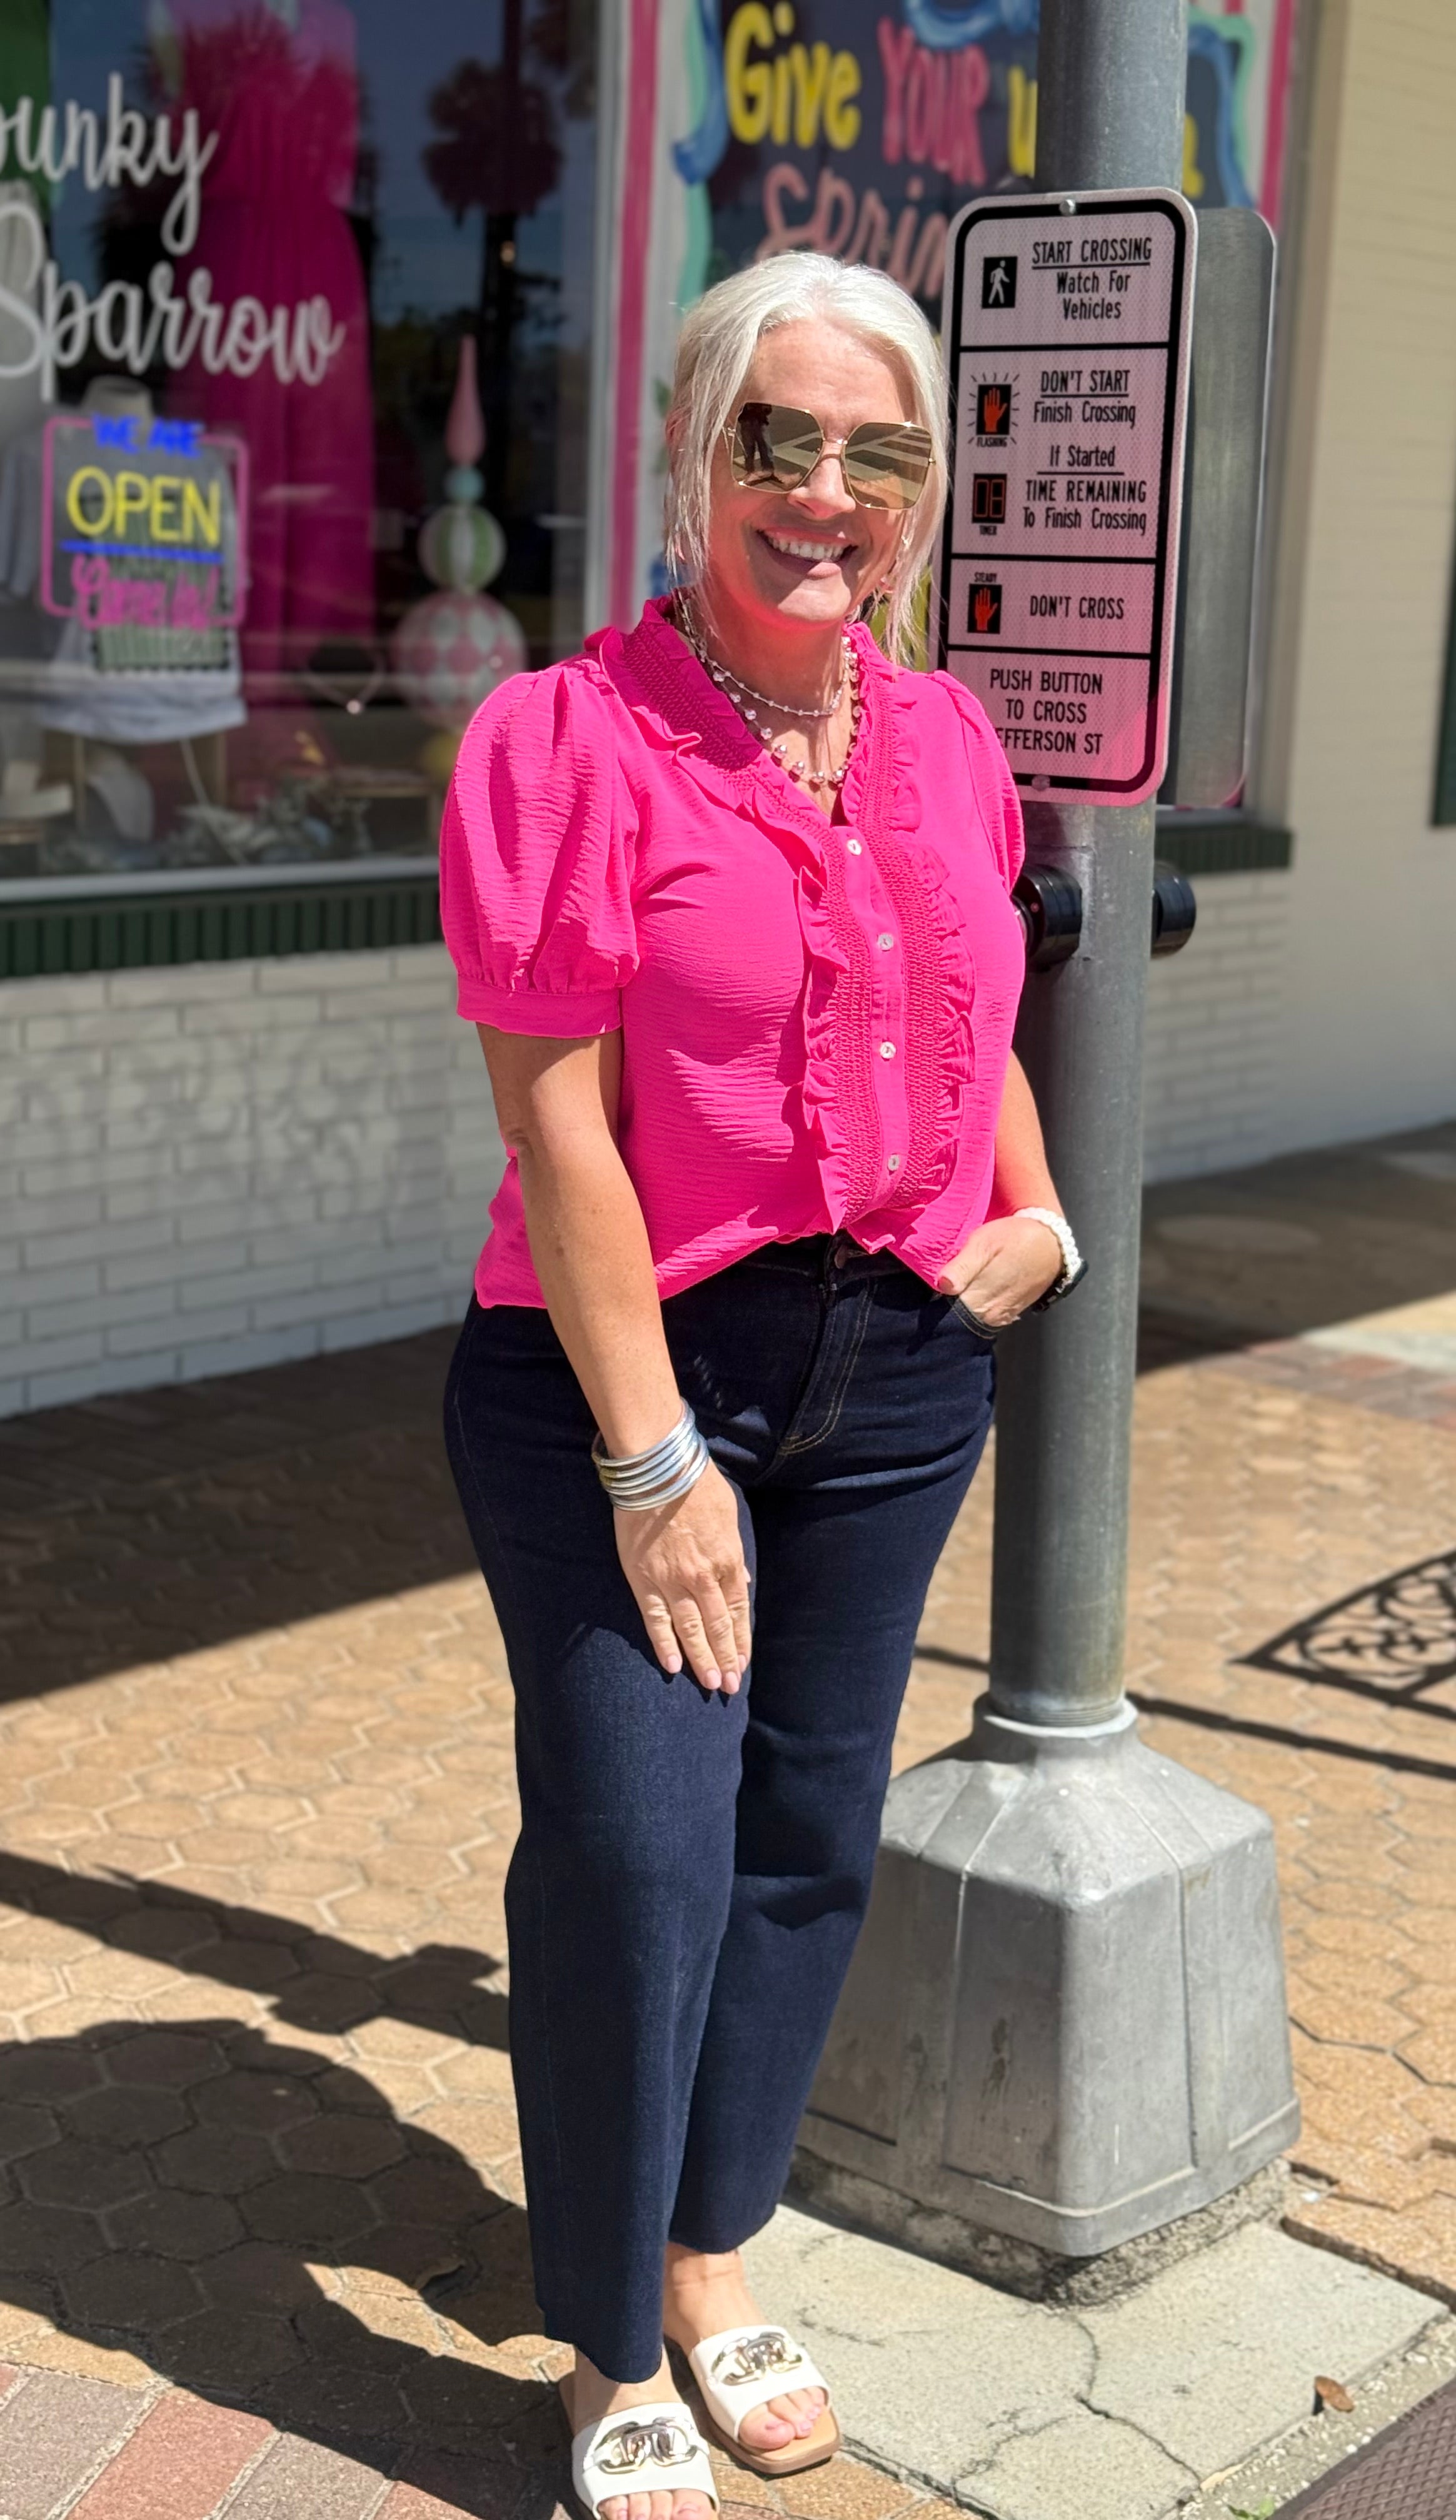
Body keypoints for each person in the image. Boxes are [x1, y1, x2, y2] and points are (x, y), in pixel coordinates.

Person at [439, 255, 1082, 2520]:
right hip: (627, 1370)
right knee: (639, 1856)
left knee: (809, 1838)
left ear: (922, 486)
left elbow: (976, 986)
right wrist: (649, 1461)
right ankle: (606, 2335)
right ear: (693, 456)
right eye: (775, 441)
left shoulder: (946, 735)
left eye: (875, 451)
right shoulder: (566, 733)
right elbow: (558, 1119)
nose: (824, 491)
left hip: (896, 1366)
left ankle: (714, 2259)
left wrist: (1027, 1209)